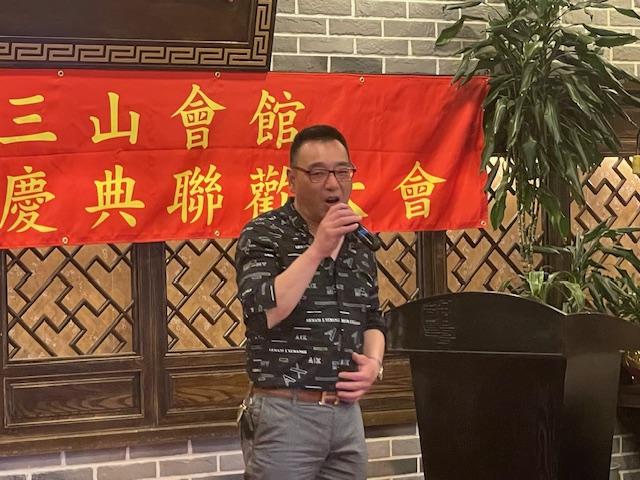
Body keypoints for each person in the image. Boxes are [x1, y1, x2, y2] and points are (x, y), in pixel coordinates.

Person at [234, 124, 386, 480]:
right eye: (318, 173)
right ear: (292, 180)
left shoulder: (358, 242)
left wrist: (374, 365)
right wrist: (318, 248)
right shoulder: (263, 233)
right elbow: (264, 313)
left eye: (342, 172)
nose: (333, 184)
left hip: (347, 415)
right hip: (285, 413)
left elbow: (372, 318)